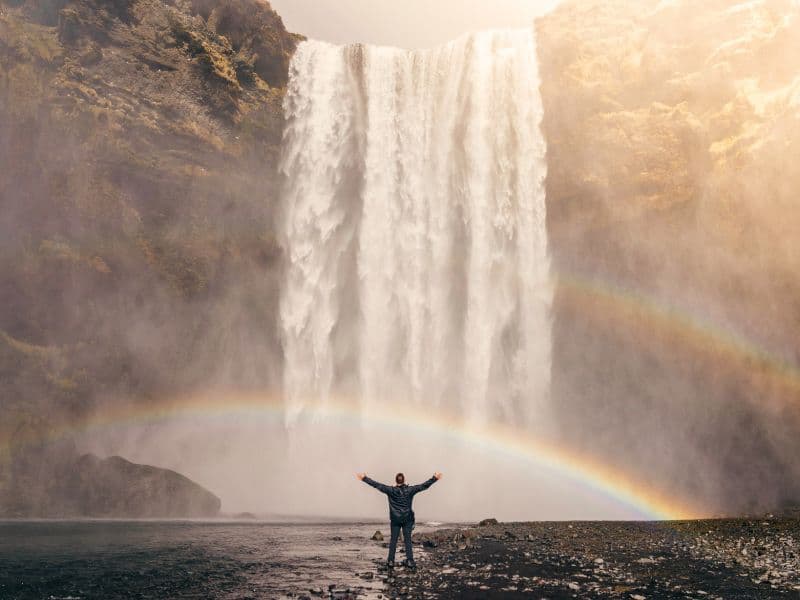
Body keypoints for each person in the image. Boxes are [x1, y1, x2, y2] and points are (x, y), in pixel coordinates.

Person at [356, 471, 442, 569]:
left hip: (395, 519)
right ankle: (410, 561)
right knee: (408, 540)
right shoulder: (410, 490)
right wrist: (435, 478)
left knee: (393, 540)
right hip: (407, 519)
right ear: (404, 480)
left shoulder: (390, 490)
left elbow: (376, 485)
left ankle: (391, 561)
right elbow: (423, 486)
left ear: (396, 481)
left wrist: (364, 478)